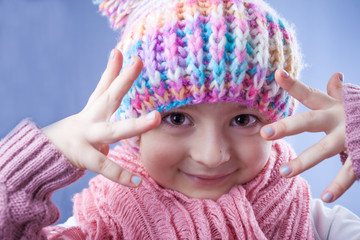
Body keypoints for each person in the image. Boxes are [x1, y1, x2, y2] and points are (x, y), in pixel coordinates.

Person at [1, 0, 360, 239]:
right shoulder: (98, 228)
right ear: (132, 128)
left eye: (243, 119)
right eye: (176, 118)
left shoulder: (322, 227)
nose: (211, 155)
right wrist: (20, 173)